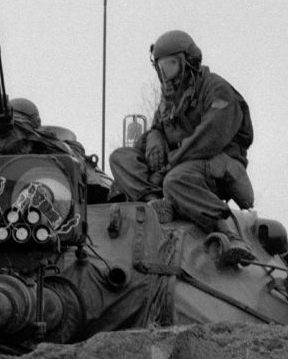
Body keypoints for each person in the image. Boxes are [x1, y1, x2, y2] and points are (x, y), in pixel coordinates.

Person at [108, 30, 255, 252]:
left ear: (188, 62)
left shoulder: (216, 89)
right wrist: (154, 141)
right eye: (160, 68)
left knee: (175, 180)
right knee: (120, 157)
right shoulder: (170, 99)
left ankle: (226, 229)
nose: (165, 74)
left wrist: (168, 167)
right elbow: (157, 127)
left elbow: (209, 137)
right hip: (179, 165)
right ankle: (157, 201)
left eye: (171, 65)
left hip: (212, 166)